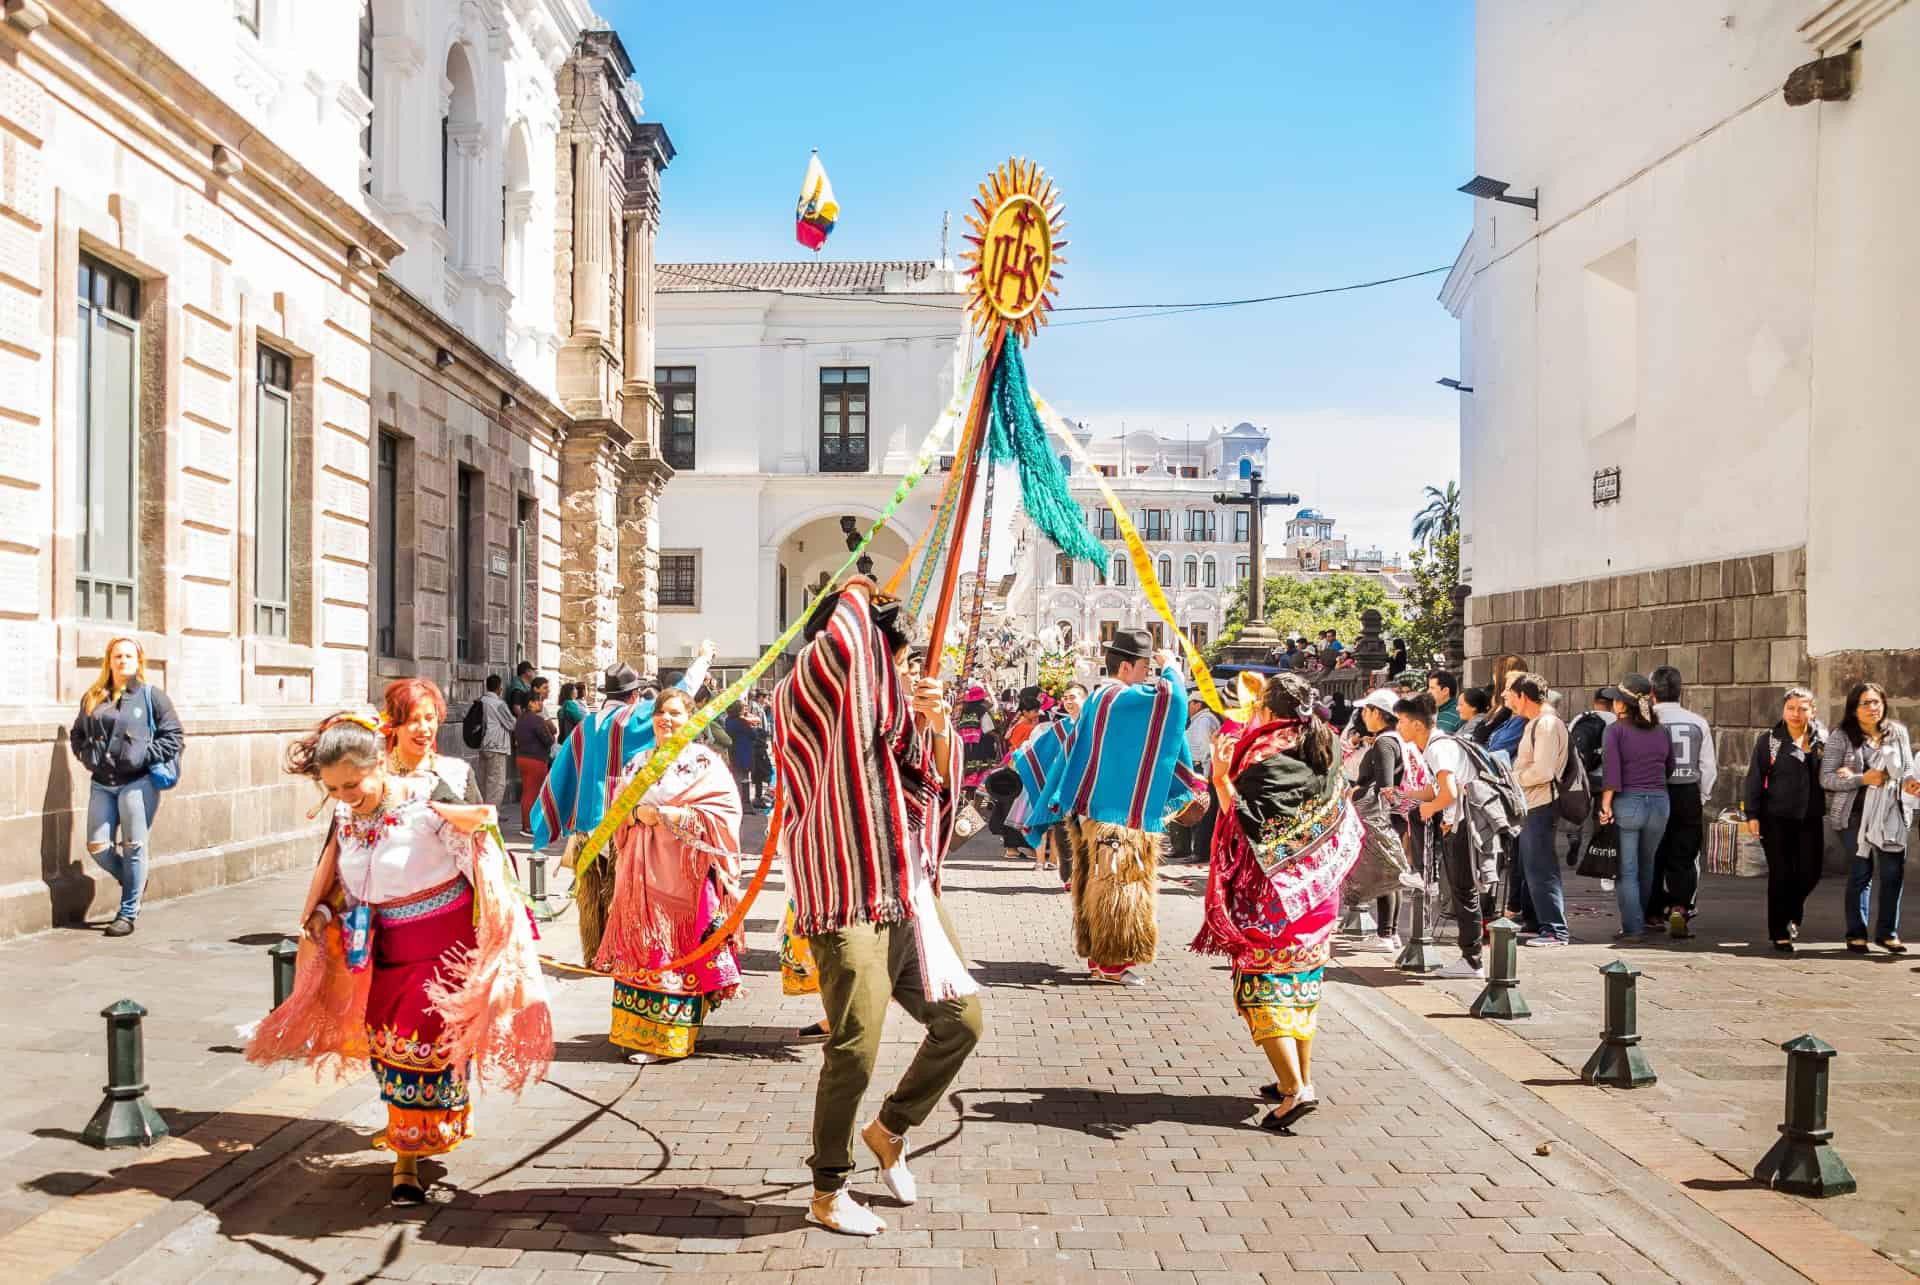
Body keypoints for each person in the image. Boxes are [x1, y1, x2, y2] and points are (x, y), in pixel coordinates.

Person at [246, 712, 552, 1204]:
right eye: (334, 789)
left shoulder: (428, 810)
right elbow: (345, 885)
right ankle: (415, 1137)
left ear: (379, 763)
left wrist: (504, 936)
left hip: (444, 953)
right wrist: (324, 911)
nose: (344, 796)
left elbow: (483, 869)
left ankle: (405, 1161)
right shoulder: (347, 819)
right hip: (383, 954)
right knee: (391, 1049)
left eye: (352, 783)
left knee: (423, 1044)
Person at [772, 579, 981, 1238]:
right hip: (844, 894)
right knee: (855, 1048)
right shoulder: (807, 691)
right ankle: (828, 1189)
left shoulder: (887, 709)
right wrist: (858, 593)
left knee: (963, 1021)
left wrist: (934, 724)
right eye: (896, 658)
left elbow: (932, 790)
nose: (904, 671)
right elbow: (841, 650)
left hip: (908, 892)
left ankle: (890, 1127)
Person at [1193, 673, 1361, 1133]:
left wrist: (1221, 776)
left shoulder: (1267, 755)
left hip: (1275, 901)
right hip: (1319, 894)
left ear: (1266, 711)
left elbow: (1246, 820)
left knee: (1261, 990)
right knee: (1301, 990)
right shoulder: (1323, 745)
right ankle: (1301, 1077)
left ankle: (1294, 1088)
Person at [1019, 629, 1203, 986]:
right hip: (1115, 816)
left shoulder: (1103, 698)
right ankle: (1112, 964)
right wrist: (1172, 672)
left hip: (1098, 811)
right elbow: (1172, 704)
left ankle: (1098, 957)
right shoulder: (1117, 697)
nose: (1148, 675)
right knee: (1119, 887)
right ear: (1127, 667)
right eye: (1145, 668)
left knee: (1097, 885)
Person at [529, 643, 716, 962]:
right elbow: (681, 692)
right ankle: (618, 956)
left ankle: (592, 956)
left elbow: (561, 772)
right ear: (633, 695)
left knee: (590, 902)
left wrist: (542, 821)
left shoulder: (585, 726)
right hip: (621, 825)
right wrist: (703, 658)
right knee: (622, 896)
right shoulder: (635, 717)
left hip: (585, 830)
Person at [595, 688, 744, 1063]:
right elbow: (614, 815)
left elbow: (725, 813)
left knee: (676, 955)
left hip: (685, 881)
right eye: (662, 713)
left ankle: (670, 1038)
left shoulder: (705, 765)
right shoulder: (637, 764)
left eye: (676, 713)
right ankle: (641, 1034)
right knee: (645, 953)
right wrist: (633, 816)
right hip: (641, 880)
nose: (667, 719)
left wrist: (677, 816)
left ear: (691, 720)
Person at [69, 638, 184, 938]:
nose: (122, 661)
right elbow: (77, 733)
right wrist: (85, 755)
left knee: (134, 846)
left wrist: (142, 756)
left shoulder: (151, 696)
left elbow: (174, 737)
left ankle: (128, 912)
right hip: (102, 784)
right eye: (117, 656)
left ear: (138, 660)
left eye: (128, 656)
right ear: (109, 661)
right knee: (97, 847)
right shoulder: (93, 696)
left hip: (138, 782)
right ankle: (134, 878)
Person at [1820, 681, 1916, 954]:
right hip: (1853, 814)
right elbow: (1826, 778)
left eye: (1876, 702)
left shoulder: (1897, 733)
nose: (1872, 707)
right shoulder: (1841, 736)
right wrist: (1863, 779)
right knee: (1861, 871)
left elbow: (1907, 769)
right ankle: (1856, 933)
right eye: (1865, 703)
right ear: (1853, 708)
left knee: (1892, 872)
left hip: (1890, 813)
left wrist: (1909, 783)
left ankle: (1888, 933)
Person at [1399, 694, 1485, 977]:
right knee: (1462, 890)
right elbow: (1437, 790)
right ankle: (1427, 876)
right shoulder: (1435, 746)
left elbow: (1447, 793)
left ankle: (1472, 960)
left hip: (1462, 823)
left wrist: (1429, 810)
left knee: (1463, 891)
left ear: (1418, 726)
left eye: (1402, 722)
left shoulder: (1438, 749)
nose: (1398, 728)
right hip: (1457, 821)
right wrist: (1409, 796)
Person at [1744, 688, 1826, 953]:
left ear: (1813, 711)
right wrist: (1752, 814)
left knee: (1810, 871)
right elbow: (1754, 778)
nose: (1796, 714)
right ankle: (1779, 931)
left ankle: (1792, 911)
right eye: (1791, 708)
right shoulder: (1770, 740)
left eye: (1802, 708)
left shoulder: (1822, 741)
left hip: (1810, 816)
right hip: (1775, 817)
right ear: (1783, 710)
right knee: (1780, 873)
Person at [1598, 675, 1675, 940]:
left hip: (1628, 802)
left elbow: (1612, 772)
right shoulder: (1662, 731)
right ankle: (1640, 919)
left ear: (1624, 704)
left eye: (1616, 699)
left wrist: (1606, 804)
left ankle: (1632, 928)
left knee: (1626, 870)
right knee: (1647, 866)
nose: (1613, 704)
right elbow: (1670, 768)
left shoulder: (1615, 731)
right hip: (1659, 803)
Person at [1648, 666, 1716, 938]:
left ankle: (1652, 912)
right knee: (1685, 855)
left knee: (1653, 853)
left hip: (1656, 791)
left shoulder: (1649, 721)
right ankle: (1679, 906)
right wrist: (1700, 795)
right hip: (1687, 791)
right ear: (1681, 691)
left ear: (1652, 692)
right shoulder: (1697, 722)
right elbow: (1708, 766)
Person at [1510, 674, 1570, 946]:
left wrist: (1514, 777)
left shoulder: (1546, 724)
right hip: (1532, 802)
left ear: (1524, 696)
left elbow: (1544, 770)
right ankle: (1535, 923)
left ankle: (1555, 930)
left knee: (1541, 867)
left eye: (1512, 695)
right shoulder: (1537, 723)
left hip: (1541, 802)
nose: (1510, 702)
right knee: (1529, 866)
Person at [383, 678, 480, 804]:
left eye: (429, 718)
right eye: (413, 719)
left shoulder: (459, 773)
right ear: (394, 725)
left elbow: (483, 821)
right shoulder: (375, 776)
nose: (423, 729)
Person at [1170, 691, 1222, 864]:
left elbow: (1207, 752)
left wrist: (1206, 777)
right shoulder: (1198, 721)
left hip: (1201, 770)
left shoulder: (1205, 721)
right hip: (1194, 768)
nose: (1188, 707)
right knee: (1187, 809)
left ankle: (1199, 852)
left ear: (1198, 704)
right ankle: (1183, 848)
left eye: (1190, 703)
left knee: (1202, 812)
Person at [513, 694, 556, 836]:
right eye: (539, 701)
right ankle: (529, 827)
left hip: (522, 757)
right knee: (533, 793)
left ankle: (527, 825)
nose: (541, 704)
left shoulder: (520, 719)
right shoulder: (537, 720)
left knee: (527, 792)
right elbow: (548, 740)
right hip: (535, 759)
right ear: (531, 703)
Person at [474, 675, 515, 810]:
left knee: (483, 780)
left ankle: (481, 810)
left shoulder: (480, 701)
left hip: (483, 744)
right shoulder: (499, 704)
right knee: (496, 783)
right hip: (497, 745)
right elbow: (511, 724)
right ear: (499, 688)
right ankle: (491, 812)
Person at [556, 682, 589, 747]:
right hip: (572, 738)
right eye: (574, 689)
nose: (576, 691)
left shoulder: (563, 705)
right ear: (570, 692)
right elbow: (580, 721)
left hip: (564, 738)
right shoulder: (570, 704)